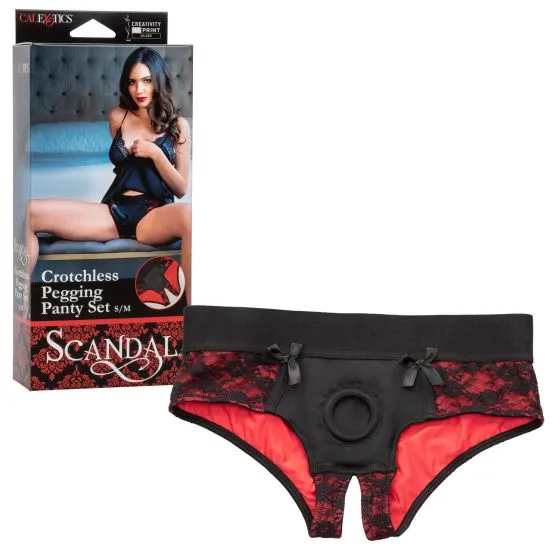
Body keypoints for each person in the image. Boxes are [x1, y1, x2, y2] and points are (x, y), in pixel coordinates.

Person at [26, 46, 192, 304]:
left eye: (147, 81)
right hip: (114, 211)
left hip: (154, 214)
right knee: (30, 212)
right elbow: (126, 168)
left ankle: (196, 318)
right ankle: (22, 306)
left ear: (158, 81)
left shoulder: (178, 125)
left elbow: (180, 188)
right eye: (132, 82)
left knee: (190, 215)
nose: (139, 90)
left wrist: (156, 154)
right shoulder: (117, 117)